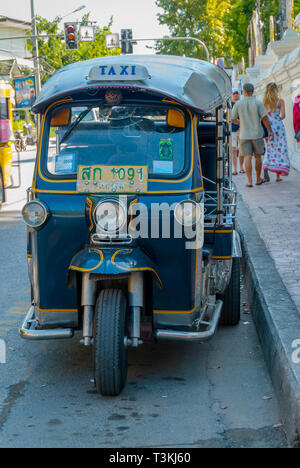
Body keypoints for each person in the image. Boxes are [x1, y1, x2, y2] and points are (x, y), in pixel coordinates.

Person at [232, 82, 274, 187]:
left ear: (244, 92)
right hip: (257, 134)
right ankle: (258, 179)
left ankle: (250, 181)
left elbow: (232, 119)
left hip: (244, 134)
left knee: (247, 157)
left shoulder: (238, 104)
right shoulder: (258, 103)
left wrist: (241, 122)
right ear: (253, 91)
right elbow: (265, 118)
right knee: (258, 157)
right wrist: (270, 131)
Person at [262, 83, 290, 181]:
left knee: (270, 149)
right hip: (278, 128)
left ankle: (266, 165)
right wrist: (276, 118)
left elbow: (263, 116)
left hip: (268, 127)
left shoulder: (264, 102)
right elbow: (283, 115)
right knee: (280, 149)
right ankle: (277, 177)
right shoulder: (280, 101)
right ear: (276, 90)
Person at [231, 88, 245, 175]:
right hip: (233, 129)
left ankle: (241, 167)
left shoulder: (242, 104)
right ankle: (234, 169)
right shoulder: (229, 105)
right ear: (232, 95)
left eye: (237, 93)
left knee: (241, 149)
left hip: (242, 128)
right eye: (234, 93)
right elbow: (226, 116)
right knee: (233, 149)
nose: (236, 95)